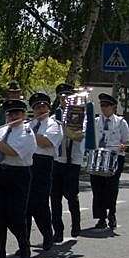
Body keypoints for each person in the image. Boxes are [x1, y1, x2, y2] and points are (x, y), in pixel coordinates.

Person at [0, 99, 37, 258]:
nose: (13, 116)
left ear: (23, 115)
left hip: (17, 175)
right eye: (10, 114)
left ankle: (24, 244)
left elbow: (12, 152)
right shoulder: (0, 131)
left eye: (17, 113)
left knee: (15, 216)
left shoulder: (27, 132)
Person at [26, 92, 62, 250]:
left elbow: (45, 142)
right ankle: (24, 241)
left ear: (48, 108)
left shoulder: (54, 125)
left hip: (43, 164)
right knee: (25, 205)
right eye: (37, 107)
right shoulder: (28, 125)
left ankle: (47, 235)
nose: (40, 110)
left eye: (43, 106)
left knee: (39, 203)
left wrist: (25, 133)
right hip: (26, 164)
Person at [90, 93, 129, 230]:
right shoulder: (95, 122)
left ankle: (111, 214)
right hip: (98, 157)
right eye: (102, 105)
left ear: (113, 107)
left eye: (106, 105)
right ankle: (101, 218)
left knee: (111, 188)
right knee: (97, 188)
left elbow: (127, 141)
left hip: (114, 157)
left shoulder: (120, 122)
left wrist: (123, 146)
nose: (104, 108)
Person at [51, 83, 84, 241]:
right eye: (62, 97)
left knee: (72, 196)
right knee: (55, 198)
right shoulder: (53, 118)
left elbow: (79, 136)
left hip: (73, 161)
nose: (65, 100)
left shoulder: (80, 116)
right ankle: (57, 231)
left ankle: (76, 225)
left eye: (68, 97)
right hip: (57, 160)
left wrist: (65, 128)